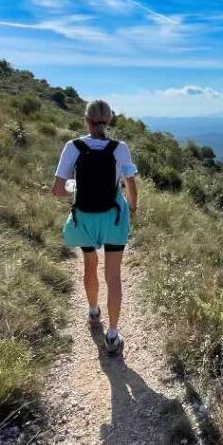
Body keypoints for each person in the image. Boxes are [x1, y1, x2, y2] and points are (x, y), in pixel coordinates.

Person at [51, 100, 138, 356]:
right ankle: (112, 335)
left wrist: (77, 188)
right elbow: (130, 185)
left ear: (86, 120)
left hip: (85, 217)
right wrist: (132, 208)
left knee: (89, 263)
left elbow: (58, 190)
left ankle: (93, 312)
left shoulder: (72, 147)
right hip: (113, 217)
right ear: (109, 121)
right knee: (114, 276)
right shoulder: (120, 148)